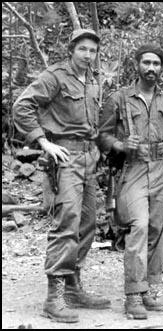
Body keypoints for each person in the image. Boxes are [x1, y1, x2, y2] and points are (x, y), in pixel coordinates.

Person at [13, 29, 111, 323]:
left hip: (88, 158)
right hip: (64, 157)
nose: (88, 55)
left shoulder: (94, 79)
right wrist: (43, 142)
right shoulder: (54, 76)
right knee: (66, 223)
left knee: (87, 223)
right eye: (82, 49)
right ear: (72, 50)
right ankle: (53, 297)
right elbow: (22, 107)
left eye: (93, 51)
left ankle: (72, 287)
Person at [97, 44, 163, 319]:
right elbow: (102, 136)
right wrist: (122, 145)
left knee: (158, 230)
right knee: (139, 226)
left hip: (162, 170)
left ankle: (147, 289)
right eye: (146, 62)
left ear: (161, 68)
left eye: (156, 64)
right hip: (133, 168)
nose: (151, 68)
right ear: (137, 65)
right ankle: (133, 295)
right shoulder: (119, 98)